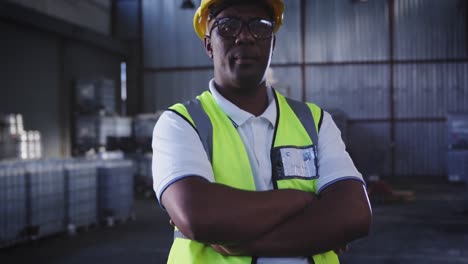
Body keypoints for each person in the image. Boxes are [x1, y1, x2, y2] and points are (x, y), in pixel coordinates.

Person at [152, 0, 372, 263]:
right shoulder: (181, 122)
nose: (245, 36)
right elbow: (198, 215)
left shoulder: (314, 122)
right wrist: (303, 201)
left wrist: (243, 243)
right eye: (228, 26)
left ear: (272, 44)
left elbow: (355, 213)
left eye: (260, 26)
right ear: (209, 44)